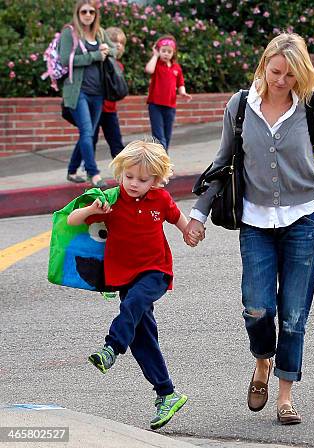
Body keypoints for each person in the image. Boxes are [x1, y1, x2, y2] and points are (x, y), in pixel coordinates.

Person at [185, 33, 314, 424]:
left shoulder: (312, 107)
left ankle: (285, 396)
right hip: (256, 224)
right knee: (257, 308)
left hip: (302, 221)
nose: (281, 81)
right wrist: (197, 217)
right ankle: (262, 361)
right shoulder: (238, 107)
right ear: (264, 65)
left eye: (290, 74)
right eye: (276, 71)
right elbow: (221, 165)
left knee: (295, 314)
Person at [66, 138, 199, 430]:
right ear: (120, 171)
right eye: (129, 176)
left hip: (155, 271)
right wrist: (90, 210)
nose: (134, 183)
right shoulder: (111, 200)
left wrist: (189, 231)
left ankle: (111, 347)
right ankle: (167, 393)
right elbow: (72, 220)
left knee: (135, 303)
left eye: (143, 179)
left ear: (156, 179)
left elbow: (178, 218)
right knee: (142, 337)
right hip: (123, 276)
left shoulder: (160, 200)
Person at [61, 0, 115, 188]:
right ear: (78, 13)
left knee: (89, 133)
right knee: (86, 131)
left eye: (91, 12)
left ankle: (72, 170)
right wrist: (94, 56)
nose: (88, 15)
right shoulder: (70, 32)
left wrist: (107, 50)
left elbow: (115, 50)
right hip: (78, 92)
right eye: (84, 11)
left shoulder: (99, 33)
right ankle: (93, 173)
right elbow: (64, 59)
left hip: (98, 93)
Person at [145, 35, 192, 151]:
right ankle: (163, 162)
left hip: (170, 106)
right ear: (158, 51)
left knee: (167, 136)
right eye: (163, 51)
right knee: (159, 136)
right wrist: (155, 56)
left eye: (169, 51)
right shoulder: (156, 65)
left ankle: (162, 161)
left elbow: (180, 83)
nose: (166, 54)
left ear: (173, 53)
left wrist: (183, 92)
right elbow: (148, 70)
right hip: (155, 105)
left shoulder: (176, 68)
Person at [92, 26, 126, 159]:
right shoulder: (100, 62)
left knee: (116, 141)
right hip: (96, 107)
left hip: (110, 110)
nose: (118, 45)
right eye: (114, 41)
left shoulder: (118, 65)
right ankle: (87, 166)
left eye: (121, 43)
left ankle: (124, 169)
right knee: (90, 139)